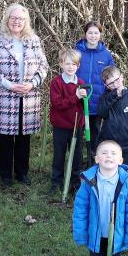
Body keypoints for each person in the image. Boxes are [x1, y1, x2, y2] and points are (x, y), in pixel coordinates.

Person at [0, 3, 49, 187]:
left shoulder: (33, 40)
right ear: (7, 19)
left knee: (23, 136)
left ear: (26, 21)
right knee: (5, 137)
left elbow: (44, 66)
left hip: (28, 96)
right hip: (5, 94)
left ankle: (22, 173)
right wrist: (8, 84)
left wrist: (33, 83)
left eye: (21, 19)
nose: (17, 22)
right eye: (13, 18)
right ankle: (5, 175)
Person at [75, 21, 116, 166]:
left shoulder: (106, 55)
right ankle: (77, 164)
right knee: (78, 134)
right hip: (79, 102)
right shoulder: (77, 52)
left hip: (97, 103)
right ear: (85, 34)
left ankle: (93, 161)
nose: (93, 36)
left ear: (100, 35)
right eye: (90, 33)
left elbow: (111, 77)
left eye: (96, 33)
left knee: (95, 134)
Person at [49, 48, 88, 194]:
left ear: (78, 66)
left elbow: (83, 105)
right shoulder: (56, 82)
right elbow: (57, 103)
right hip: (60, 126)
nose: (70, 67)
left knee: (77, 156)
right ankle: (56, 182)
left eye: (74, 64)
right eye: (67, 64)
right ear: (61, 64)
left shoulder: (81, 83)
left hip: (76, 126)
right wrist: (76, 97)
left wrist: (84, 98)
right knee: (59, 155)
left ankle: (75, 182)